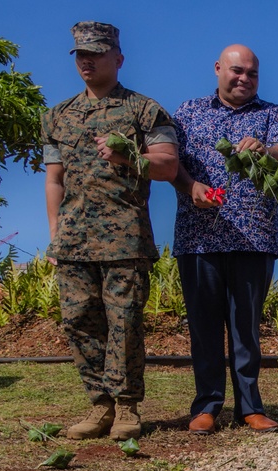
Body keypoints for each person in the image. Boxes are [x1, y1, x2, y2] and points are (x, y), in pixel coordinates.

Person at [41, 22, 179, 440]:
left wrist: (127, 157)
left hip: (125, 239)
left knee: (125, 323)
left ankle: (126, 408)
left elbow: (168, 166)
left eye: (97, 53)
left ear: (117, 59)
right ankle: (99, 406)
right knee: (78, 321)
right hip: (73, 242)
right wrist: (55, 234)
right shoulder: (57, 116)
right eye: (81, 53)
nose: (87, 59)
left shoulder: (145, 110)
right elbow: (54, 179)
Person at [171, 45, 278, 435]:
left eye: (252, 74)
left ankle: (250, 407)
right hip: (198, 238)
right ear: (218, 69)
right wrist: (190, 186)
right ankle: (207, 405)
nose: (244, 79)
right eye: (237, 71)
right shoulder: (188, 113)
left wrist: (265, 149)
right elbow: (170, 163)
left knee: (246, 328)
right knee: (204, 326)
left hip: (253, 237)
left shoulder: (271, 114)